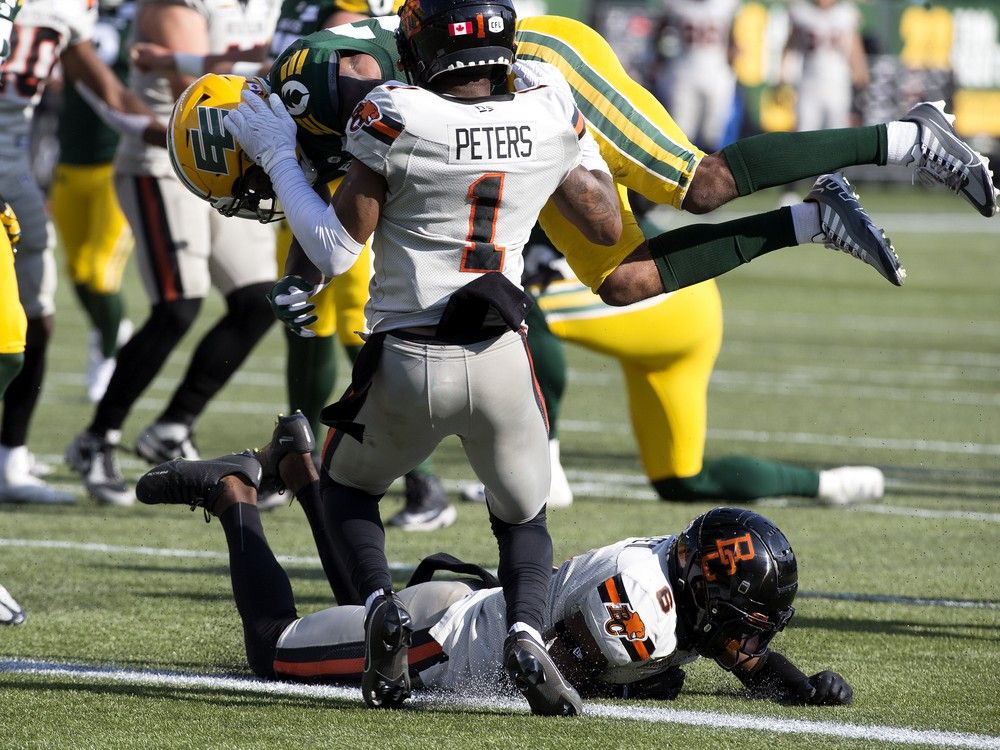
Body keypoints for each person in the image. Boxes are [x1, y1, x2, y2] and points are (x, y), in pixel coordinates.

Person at [223, 0, 623, 715]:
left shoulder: (396, 111)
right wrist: (570, 134)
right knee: (523, 520)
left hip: (408, 356)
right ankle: (527, 632)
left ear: (430, 45)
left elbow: (335, 249)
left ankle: (381, 605)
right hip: (500, 354)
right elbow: (604, 221)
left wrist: (280, 153)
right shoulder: (545, 104)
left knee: (346, 490)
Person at [135, 423, 853, 708]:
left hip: (468, 607)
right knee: (272, 648)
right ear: (704, 590)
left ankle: (299, 461)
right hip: (440, 646)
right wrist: (648, 682)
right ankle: (233, 491)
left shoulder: (678, 567)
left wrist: (803, 686)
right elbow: (541, 681)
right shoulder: (641, 602)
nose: (748, 641)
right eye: (745, 623)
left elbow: (750, 663)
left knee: (360, 602)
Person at [464, 233, 884, 508]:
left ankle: (544, 469)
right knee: (683, 480)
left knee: (518, 308)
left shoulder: (559, 134)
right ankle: (829, 485)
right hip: (683, 312)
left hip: (667, 299)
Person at [65, 0, 285, 507]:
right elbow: (201, 95)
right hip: (168, 157)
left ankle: (172, 425)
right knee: (177, 304)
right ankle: (97, 437)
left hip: (236, 158)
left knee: (258, 299)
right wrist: (280, 67)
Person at [0, 0, 163, 505]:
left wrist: (182, 139)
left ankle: (11, 457)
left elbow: (109, 91)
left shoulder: (64, 7)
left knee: (30, 325)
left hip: (14, 174)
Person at [50, 0, 136, 404]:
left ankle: (108, 353)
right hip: (70, 158)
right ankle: (110, 330)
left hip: (116, 161)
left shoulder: (144, 13)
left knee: (99, 272)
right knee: (77, 274)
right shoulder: (69, 11)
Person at [651, 0, 741, 153]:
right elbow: (659, 31)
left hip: (716, 72)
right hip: (685, 72)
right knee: (681, 134)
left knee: (712, 134)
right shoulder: (677, 6)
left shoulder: (724, 5)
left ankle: (709, 173)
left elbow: (733, 35)